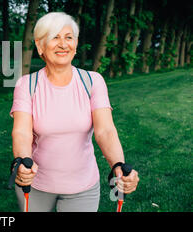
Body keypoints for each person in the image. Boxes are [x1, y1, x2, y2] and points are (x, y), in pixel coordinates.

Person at [10, 12, 139, 212]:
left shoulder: (93, 81)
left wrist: (118, 164)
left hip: (83, 187)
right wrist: (22, 162)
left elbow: (105, 130)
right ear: (40, 45)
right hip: (36, 185)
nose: (63, 44)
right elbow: (21, 132)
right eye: (54, 37)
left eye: (68, 37)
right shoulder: (26, 85)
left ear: (76, 43)